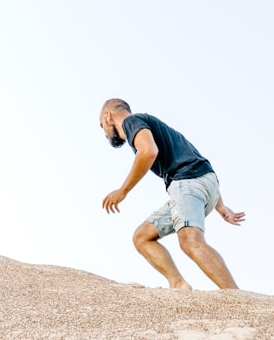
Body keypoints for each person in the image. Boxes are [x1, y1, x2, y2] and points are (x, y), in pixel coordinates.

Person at [99, 98, 244, 290]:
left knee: (190, 242)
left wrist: (123, 191)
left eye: (102, 126)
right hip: (202, 185)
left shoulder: (131, 122)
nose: (105, 133)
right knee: (142, 237)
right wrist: (220, 206)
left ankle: (235, 296)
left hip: (187, 183)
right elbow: (199, 163)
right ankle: (178, 284)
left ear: (109, 116)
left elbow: (149, 152)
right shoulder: (157, 128)